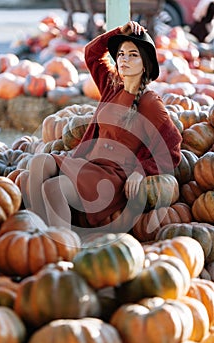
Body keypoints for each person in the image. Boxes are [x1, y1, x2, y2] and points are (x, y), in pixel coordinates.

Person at [27, 21, 182, 235]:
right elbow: (91, 53)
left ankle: (62, 250)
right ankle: (38, 236)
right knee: (39, 161)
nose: (125, 59)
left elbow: (172, 148)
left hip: (114, 176)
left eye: (133, 55)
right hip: (90, 163)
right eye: (121, 54)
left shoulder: (149, 102)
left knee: (53, 188)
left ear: (145, 63)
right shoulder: (112, 87)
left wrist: (143, 172)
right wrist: (119, 31)